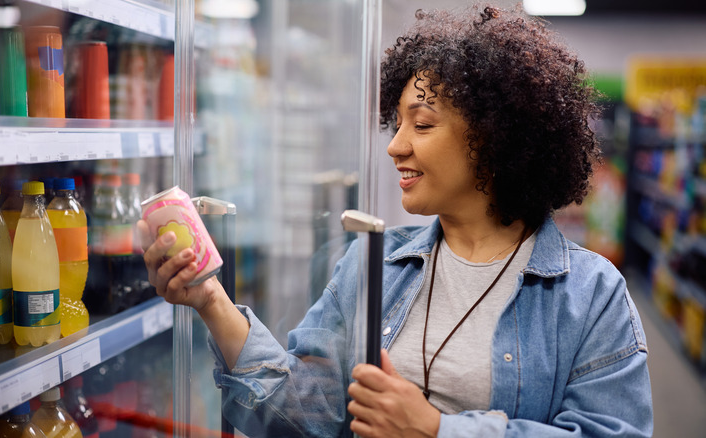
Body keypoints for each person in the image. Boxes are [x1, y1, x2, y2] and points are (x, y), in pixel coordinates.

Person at [140, 5, 653, 437]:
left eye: (423, 124)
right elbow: (305, 414)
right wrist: (210, 299)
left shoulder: (591, 295)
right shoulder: (374, 262)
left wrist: (435, 429)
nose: (395, 145)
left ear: (495, 140)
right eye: (398, 122)